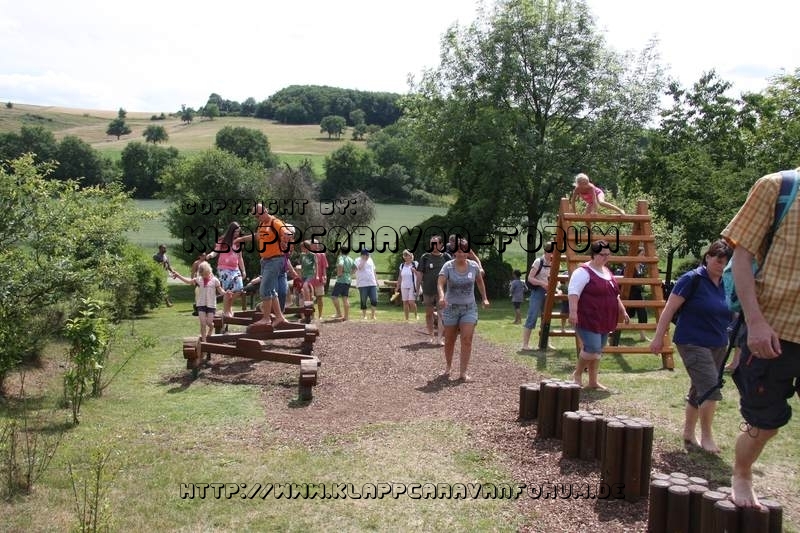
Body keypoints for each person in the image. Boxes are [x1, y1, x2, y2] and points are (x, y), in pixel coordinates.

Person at [720, 168, 800, 508]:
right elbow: (741, 257)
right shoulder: (778, 187)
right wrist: (754, 322)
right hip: (774, 330)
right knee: (764, 421)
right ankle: (742, 472)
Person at [649, 240, 733, 454]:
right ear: (707, 257)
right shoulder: (692, 279)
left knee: (700, 387)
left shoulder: (727, 283)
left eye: (725, 262)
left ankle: (688, 433)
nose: (721, 265)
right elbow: (669, 309)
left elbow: (731, 312)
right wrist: (659, 337)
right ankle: (707, 437)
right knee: (710, 389)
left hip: (718, 343)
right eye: (717, 260)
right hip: (692, 341)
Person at [568, 240, 629, 389]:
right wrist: (573, 312)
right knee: (593, 348)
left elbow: (615, 295)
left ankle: (593, 381)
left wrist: (623, 311)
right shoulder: (582, 272)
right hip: (587, 317)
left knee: (598, 350)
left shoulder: (607, 272)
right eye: (603, 255)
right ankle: (577, 374)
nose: (606, 257)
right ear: (594, 254)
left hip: (604, 318)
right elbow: (573, 293)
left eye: (608, 254)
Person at [437, 238, 490, 382]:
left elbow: (479, 281)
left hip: (469, 308)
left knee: (467, 339)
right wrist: (442, 297)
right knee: (450, 340)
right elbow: (440, 283)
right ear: (455, 253)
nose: (461, 254)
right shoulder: (448, 266)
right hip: (451, 308)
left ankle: (463, 372)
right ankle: (448, 367)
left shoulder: (473, 266)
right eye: (459, 251)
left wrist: (484, 298)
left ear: (468, 252)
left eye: (464, 251)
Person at [234, 203, 290, 328]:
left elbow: (287, 233)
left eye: (259, 215)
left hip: (275, 260)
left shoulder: (275, 222)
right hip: (266, 261)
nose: (257, 218)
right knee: (271, 290)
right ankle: (280, 317)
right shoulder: (262, 224)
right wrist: (240, 239)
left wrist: (284, 241)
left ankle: (266, 319)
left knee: (264, 289)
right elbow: (258, 236)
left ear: (265, 211)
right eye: (255, 216)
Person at [171, 261, 228, 355]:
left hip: (211, 305)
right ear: (201, 273)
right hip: (201, 304)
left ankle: (212, 327)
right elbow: (188, 281)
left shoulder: (215, 280)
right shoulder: (199, 279)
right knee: (202, 323)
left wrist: (226, 293)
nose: (205, 276)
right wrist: (178, 275)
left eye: (206, 274)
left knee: (209, 323)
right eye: (203, 274)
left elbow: (220, 291)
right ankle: (204, 343)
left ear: (209, 271)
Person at [205, 221, 247, 318]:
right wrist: (211, 255)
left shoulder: (238, 242)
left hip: (235, 269)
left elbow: (240, 258)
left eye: (238, 232)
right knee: (228, 291)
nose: (237, 234)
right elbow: (216, 251)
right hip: (224, 269)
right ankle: (226, 311)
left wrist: (243, 270)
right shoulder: (222, 240)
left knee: (240, 289)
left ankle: (228, 307)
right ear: (231, 231)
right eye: (235, 231)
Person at [417, 235, 451, 345]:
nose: (434, 246)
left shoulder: (446, 257)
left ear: (441, 245)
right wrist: (417, 289)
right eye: (432, 243)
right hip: (428, 290)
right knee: (429, 314)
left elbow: (452, 272)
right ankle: (431, 336)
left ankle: (440, 337)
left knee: (442, 314)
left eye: (436, 243)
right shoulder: (425, 257)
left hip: (442, 292)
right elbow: (420, 274)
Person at [521, 243, 554, 351]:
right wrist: (542, 283)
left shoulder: (555, 262)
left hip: (549, 292)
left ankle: (546, 343)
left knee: (547, 317)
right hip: (538, 291)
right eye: (551, 252)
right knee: (532, 316)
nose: (553, 254)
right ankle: (525, 344)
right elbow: (530, 278)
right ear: (546, 252)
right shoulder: (538, 261)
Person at [330, 246, 355, 321]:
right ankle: (346, 317)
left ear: (341, 251)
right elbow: (355, 268)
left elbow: (340, 264)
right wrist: (349, 274)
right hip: (348, 280)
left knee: (334, 296)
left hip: (341, 280)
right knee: (345, 298)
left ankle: (339, 313)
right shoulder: (350, 259)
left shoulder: (341, 257)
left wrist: (339, 273)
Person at [354, 249, 378, 320]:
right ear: (362, 255)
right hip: (362, 284)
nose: (368, 256)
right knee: (363, 300)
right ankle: (364, 315)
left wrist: (376, 280)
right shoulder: (357, 260)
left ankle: (373, 315)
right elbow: (359, 268)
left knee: (374, 299)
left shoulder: (370, 260)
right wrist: (364, 260)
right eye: (366, 255)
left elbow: (373, 270)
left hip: (372, 283)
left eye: (368, 254)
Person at [395, 249, 419, 321]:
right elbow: (400, 277)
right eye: (404, 255)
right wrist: (397, 286)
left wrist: (414, 271)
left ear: (410, 256)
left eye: (407, 255)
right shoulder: (402, 265)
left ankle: (416, 315)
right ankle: (406, 318)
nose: (405, 257)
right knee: (405, 302)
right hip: (404, 285)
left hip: (412, 285)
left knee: (411, 302)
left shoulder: (415, 264)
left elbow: (419, 275)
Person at [312, 241, 329, 321]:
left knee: (320, 298)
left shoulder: (322, 254)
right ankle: (312, 315)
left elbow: (324, 267)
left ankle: (320, 315)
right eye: (314, 245)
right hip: (310, 280)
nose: (315, 246)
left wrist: (325, 276)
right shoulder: (308, 255)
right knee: (310, 298)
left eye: (316, 245)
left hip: (319, 280)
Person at [299, 240, 318, 308]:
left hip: (310, 274)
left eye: (302, 247)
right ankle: (309, 302)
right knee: (304, 289)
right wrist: (300, 274)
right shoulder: (302, 255)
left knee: (305, 286)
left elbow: (316, 264)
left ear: (306, 247)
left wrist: (317, 274)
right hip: (304, 274)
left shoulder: (312, 255)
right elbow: (301, 265)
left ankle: (307, 305)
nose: (301, 249)